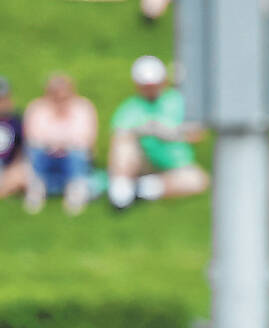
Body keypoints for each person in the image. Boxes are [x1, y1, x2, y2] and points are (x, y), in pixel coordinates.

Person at [107, 55, 208, 210]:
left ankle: (144, 189)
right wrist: (142, 131)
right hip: (143, 163)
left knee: (197, 180)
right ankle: (121, 189)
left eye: (153, 84)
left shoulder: (178, 101)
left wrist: (173, 133)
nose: (150, 89)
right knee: (123, 144)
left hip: (174, 163)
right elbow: (118, 138)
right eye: (146, 85)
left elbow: (198, 134)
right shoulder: (129, 109)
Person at [22, 73, 98, 216]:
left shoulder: (84, 108)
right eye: (55, 97)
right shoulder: (36, 109)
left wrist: (62, 144)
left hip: (73, 155)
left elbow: (87, 140)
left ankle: (75, 191)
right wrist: (55, 144)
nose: (60, 102)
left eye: (64, 97)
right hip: (45, 154)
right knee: (36, 152)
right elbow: (33, 138)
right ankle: (37, 190)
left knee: (78, 154)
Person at [0, 76, 27, 202]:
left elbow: (22, 148)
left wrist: (15, 166)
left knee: (21, 177)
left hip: (9, 167)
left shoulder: (16, 121)